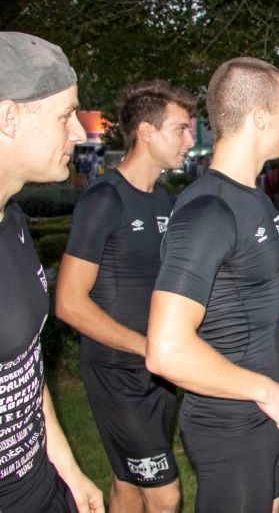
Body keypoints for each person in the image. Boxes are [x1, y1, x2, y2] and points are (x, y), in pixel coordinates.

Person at [145, 57, 279, 513]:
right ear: (260, 117)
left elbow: (268, 308)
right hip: (229, 425)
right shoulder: (208, 211)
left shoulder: (256, 200)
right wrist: (264, 390)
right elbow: (165, 350)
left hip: (271, 413)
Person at [56, 80, 196, 512]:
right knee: (165, 495)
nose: (189, 140)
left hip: (158, 369)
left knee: (129, 483)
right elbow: (69, 302)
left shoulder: (166, 202)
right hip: (117, 372)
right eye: (180, 129)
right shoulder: (104, 198)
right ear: (147, 132)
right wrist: (144, 346)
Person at [0, 31, 104, 512]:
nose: (80, 133)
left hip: (42, 488)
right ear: (9, 118)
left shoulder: (13, 222)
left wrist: (66, 468)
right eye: (65, 116)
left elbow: (24, 367)